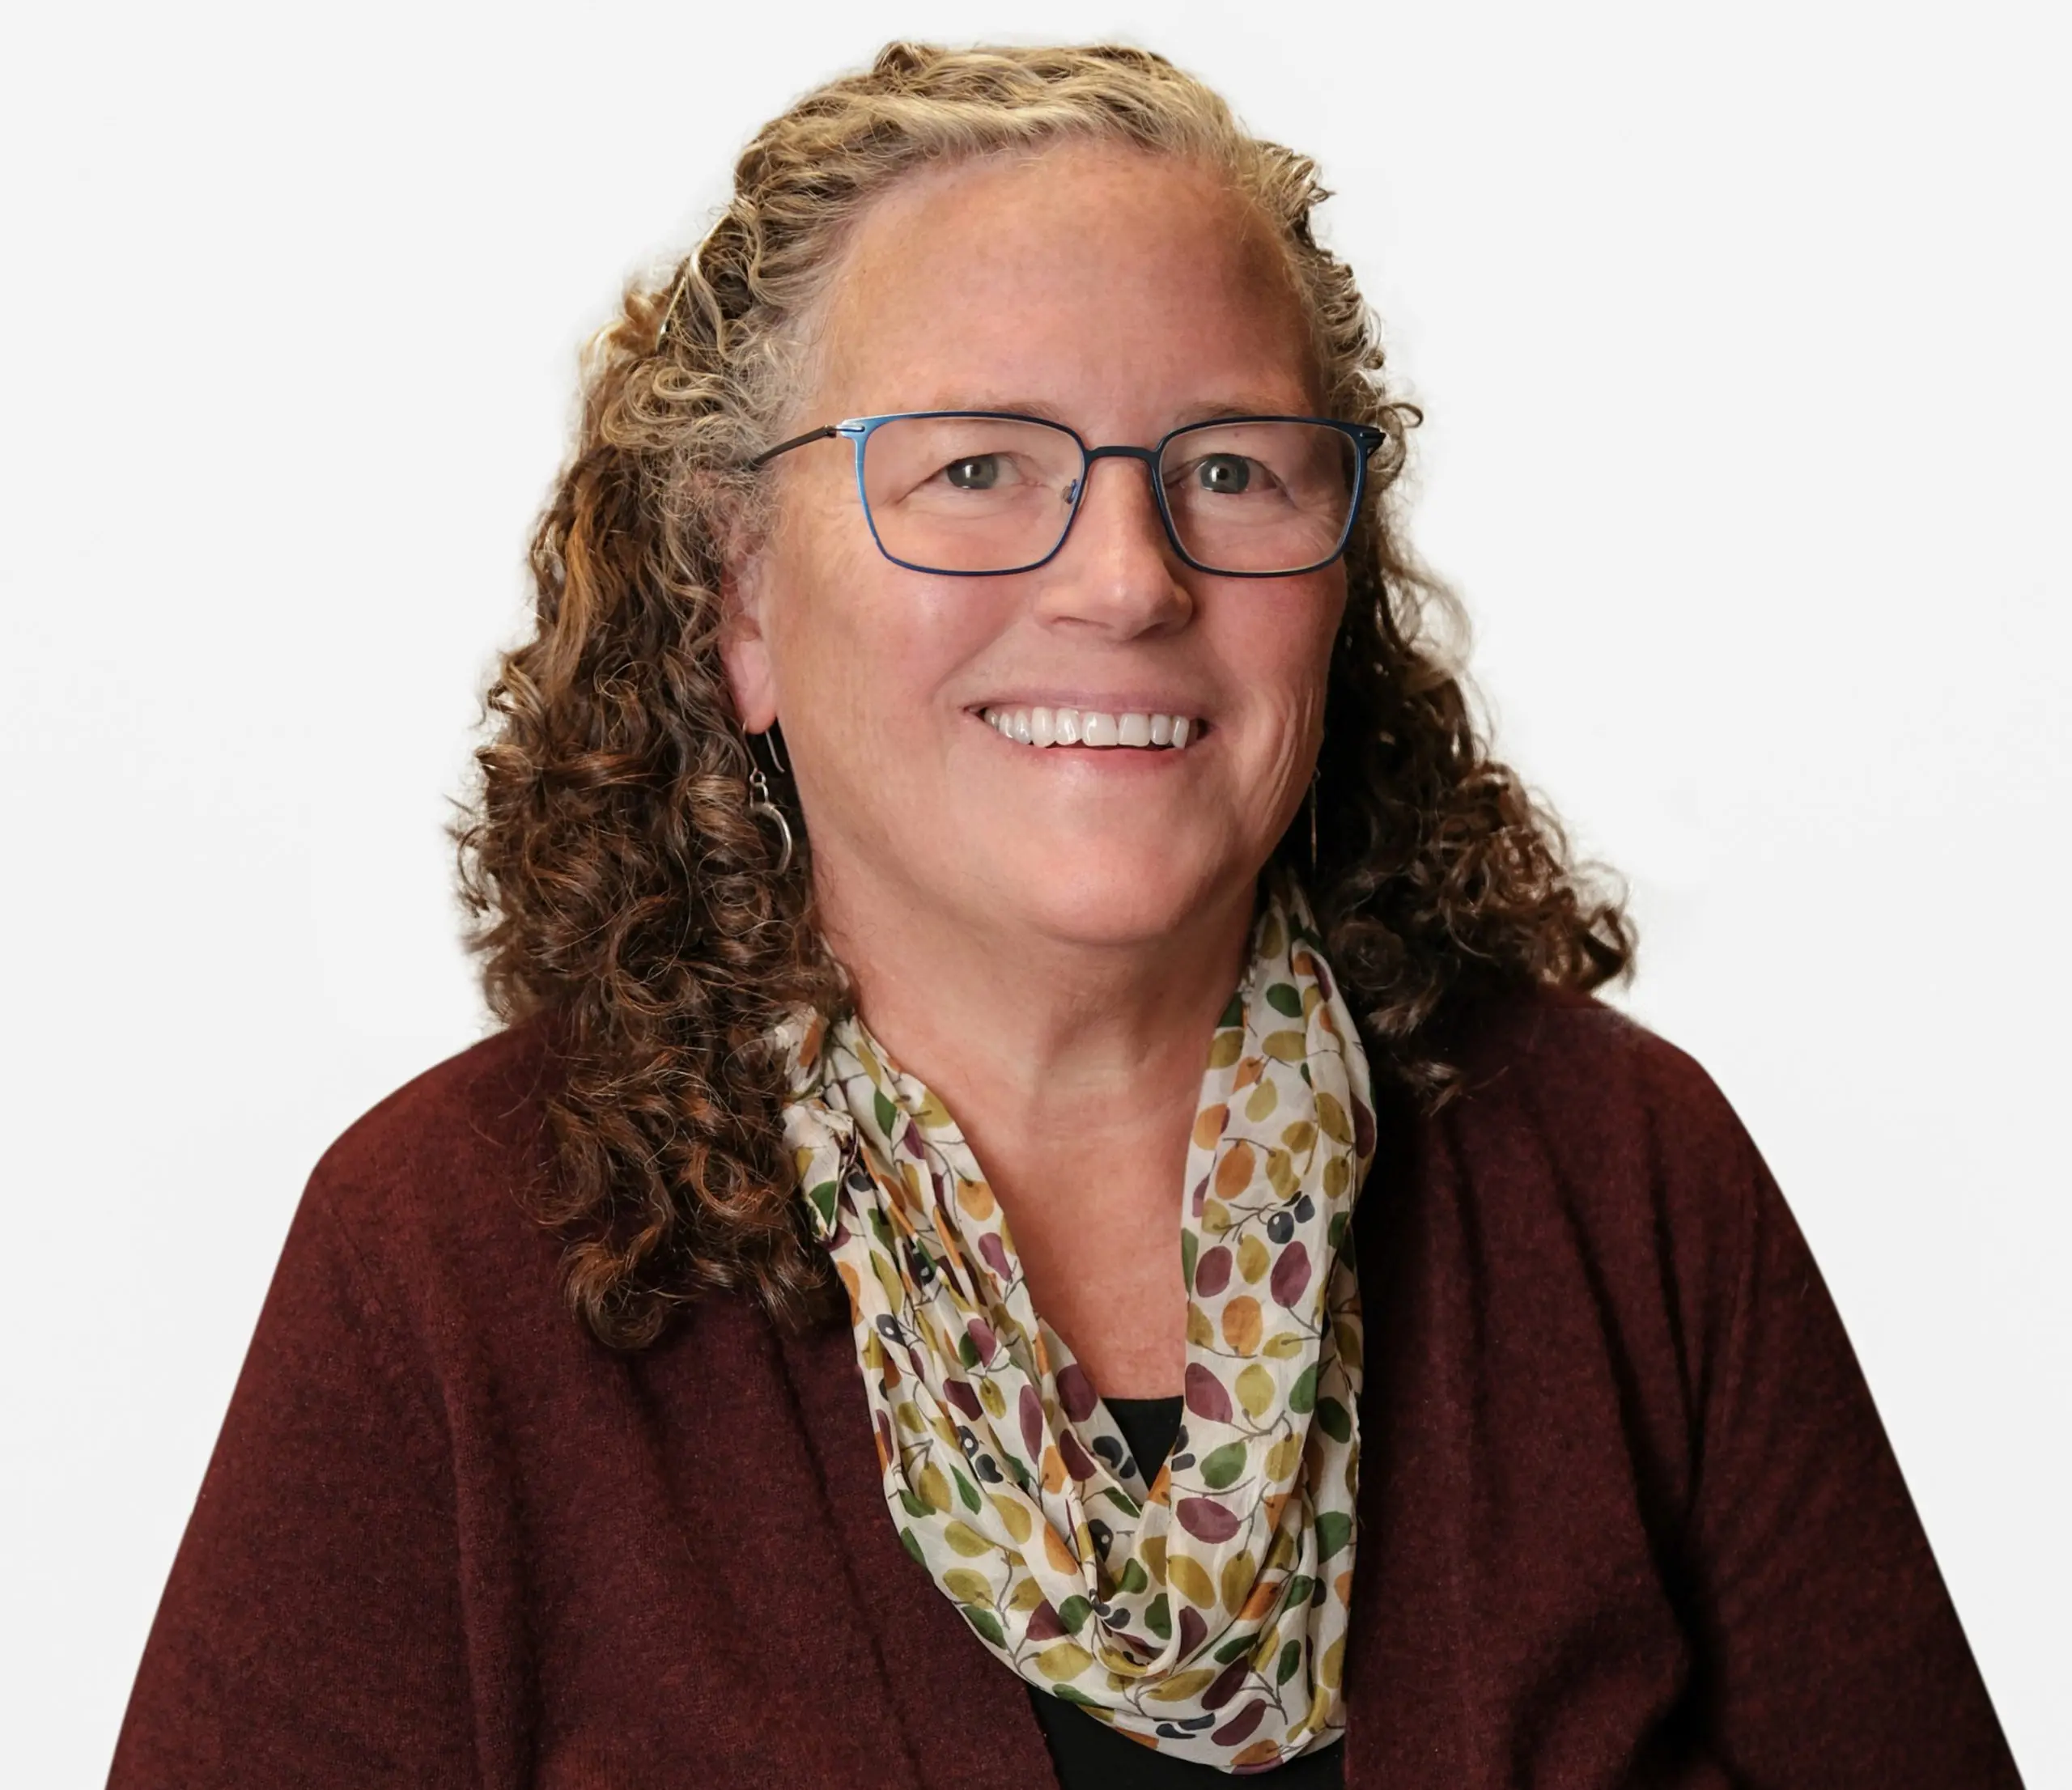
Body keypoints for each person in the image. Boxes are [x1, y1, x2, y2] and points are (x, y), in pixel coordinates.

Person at [109, 40, 2022, 1789]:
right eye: (970, 468)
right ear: (741, 605)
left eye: (1224, 468)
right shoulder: (447, 1261)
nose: (1126, 577)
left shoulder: (1617, 1181)